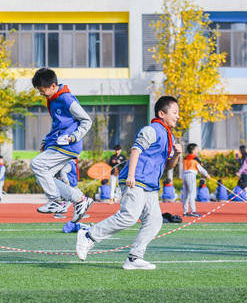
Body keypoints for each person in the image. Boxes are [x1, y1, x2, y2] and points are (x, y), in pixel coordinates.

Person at [76, 96, 182, 270]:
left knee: (155, 221)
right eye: (175, 112)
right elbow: (135, 150)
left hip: (150, 185)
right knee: (130, 216)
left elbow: (169, 166)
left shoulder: (168, 136)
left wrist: (177, 154)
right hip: (136, 180)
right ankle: (89, 235)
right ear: (162, 114)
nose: (178, 116)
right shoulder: (152, 130)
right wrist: (131, 175)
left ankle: (134, 258)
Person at [30, 68, 93, 223]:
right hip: (57, 143)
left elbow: (86, 121)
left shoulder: (66, 98)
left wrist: (73, 137)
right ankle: (79, 199)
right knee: (43, 176)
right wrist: (47, 140)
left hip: (68, 145)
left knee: (37, 164)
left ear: (53, 85)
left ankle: (56, 201)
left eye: (42, 90)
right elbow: (59, 125)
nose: (41, 94)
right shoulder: (52, 99)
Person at [181, 143, 211, 217]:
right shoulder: (195, 159)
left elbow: (182, 169)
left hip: (185, 175)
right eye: (197, 149)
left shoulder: (185, 158)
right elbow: (200, 168)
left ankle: (185, 212)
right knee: (192, 193)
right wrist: (206, 175)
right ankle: (193, 211)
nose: (197, 150)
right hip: (191, 175)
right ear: (193, 150)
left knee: (186, 194)